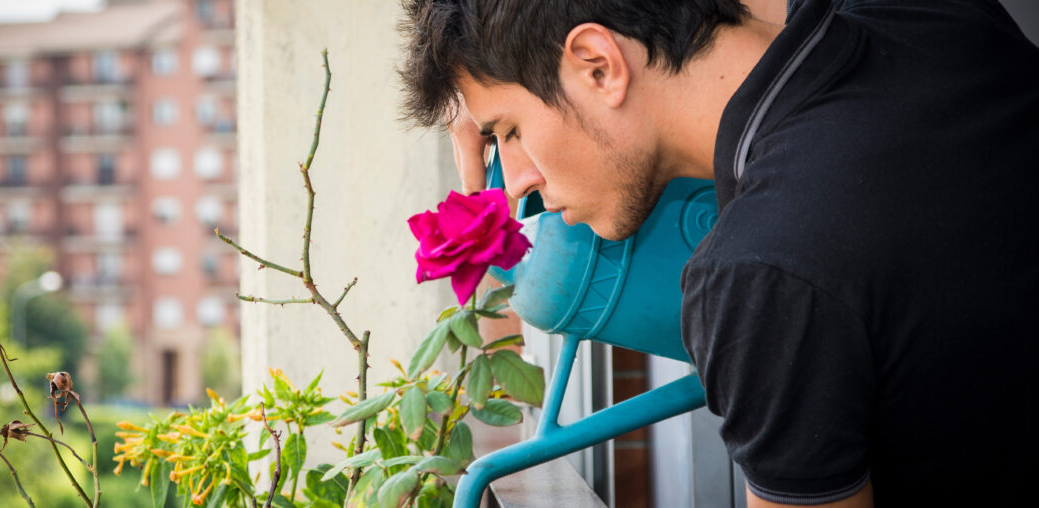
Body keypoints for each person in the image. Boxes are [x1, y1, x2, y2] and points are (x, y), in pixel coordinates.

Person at [397, 0, 1039, 506]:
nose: (515, 182)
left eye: (508, 131)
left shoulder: (760, 272)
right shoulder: (926, 16)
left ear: (598, 63)